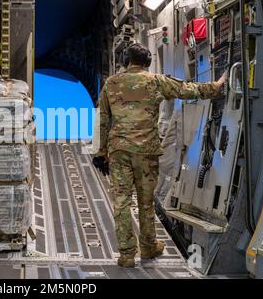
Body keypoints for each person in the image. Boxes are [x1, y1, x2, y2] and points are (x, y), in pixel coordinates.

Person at [92, 43, 227, 268]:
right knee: (145, 203)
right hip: (146, 151)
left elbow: (104, 120)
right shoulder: (155, 81)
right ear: (147, 63)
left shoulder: (111, 83)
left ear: (127, 62)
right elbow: (188, 89)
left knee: (121, 201)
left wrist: (101, 152)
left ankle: (126, 254)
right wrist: (216, 86)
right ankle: (148, 246)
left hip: (119, 151)